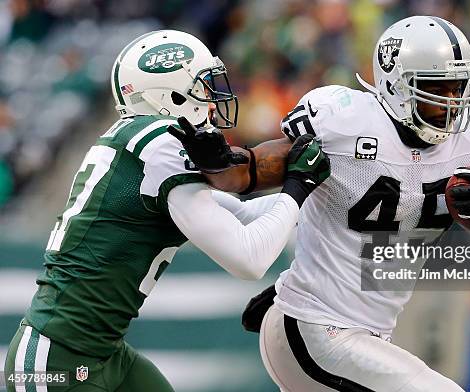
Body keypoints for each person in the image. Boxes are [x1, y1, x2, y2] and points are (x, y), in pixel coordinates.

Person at [175, 16, 470, 391]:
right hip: (315, 327)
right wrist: (214, 158)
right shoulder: (344, 121)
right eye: (438, 88)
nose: (450, 103)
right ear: (396, 85)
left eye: (459, 88)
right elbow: (247, 172)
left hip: (365, 335)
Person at [2, 30, 330, 392]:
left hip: (101, 351)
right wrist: (298, 187)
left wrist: (328, 199)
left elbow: (244, 215)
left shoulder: (142, 141)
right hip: (58, 359)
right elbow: (249, 258)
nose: (212, 97)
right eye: (204, 85)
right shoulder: (160, 145)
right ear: (170, 93)